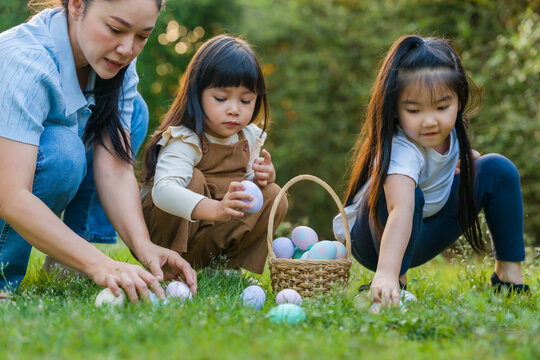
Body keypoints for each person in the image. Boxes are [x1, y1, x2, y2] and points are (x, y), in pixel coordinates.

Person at [0, 0, 197, 302]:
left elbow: (116, 168)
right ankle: (4, 274)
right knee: (62, 154)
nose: (127, 49)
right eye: (115, 29)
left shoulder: (116, 65)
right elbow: (10, 194)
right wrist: (100, 264)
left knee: (136, 113)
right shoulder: (24, 61)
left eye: (142, 36)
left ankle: (69, 260)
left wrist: (144, 247)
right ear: (77, 5)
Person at [333, 35, 529, 308]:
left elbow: (456, 165)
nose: (430, 121)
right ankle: (393, 284)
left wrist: (462, 165)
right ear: (395, 110)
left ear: (458, 100)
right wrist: (386, 274)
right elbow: (400, 208)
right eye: (414, 110)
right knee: (407, 194)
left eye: (441, 107)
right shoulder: (402, 148)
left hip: (424, 231)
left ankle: (509, 278)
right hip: (373, 237)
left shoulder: (452, 133)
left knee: (498, 168)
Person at [141, 35, 288, 274]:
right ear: (196, 94)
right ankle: (168, 269)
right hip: (171, 238)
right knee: (193, 179)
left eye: (246, 100)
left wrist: (261, 178)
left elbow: (246, 187)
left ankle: (226, 267)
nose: (234, 109)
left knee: (273, 194)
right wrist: (216, 209)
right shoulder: (185, 138)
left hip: (211, 235)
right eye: (221, 98)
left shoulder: (249, 137)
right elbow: (163, 192)